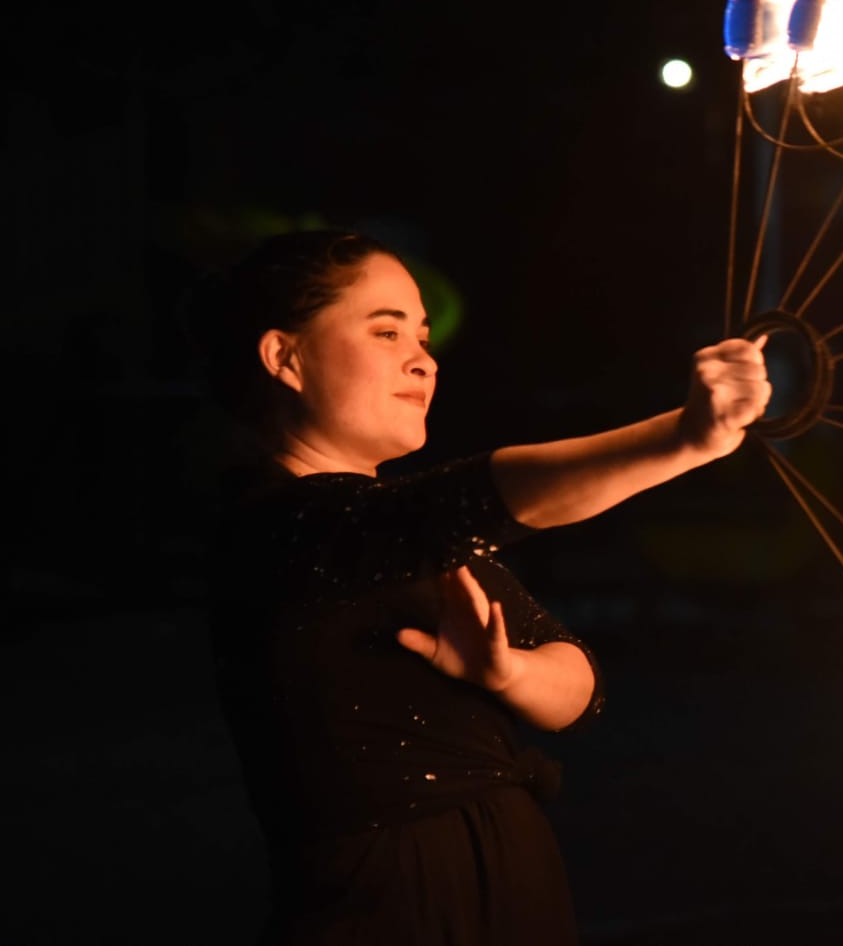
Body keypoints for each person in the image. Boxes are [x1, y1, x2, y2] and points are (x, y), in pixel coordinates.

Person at [195, 229, 771, 944]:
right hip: (386, 906)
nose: (422, 360)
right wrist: (684, 437)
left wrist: (506, 670)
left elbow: (580, 691)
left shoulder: (408, 539)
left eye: (423, 336)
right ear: (285, 356)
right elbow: (482, 497)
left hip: (514, 888)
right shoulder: (277, 526)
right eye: (385, 331)